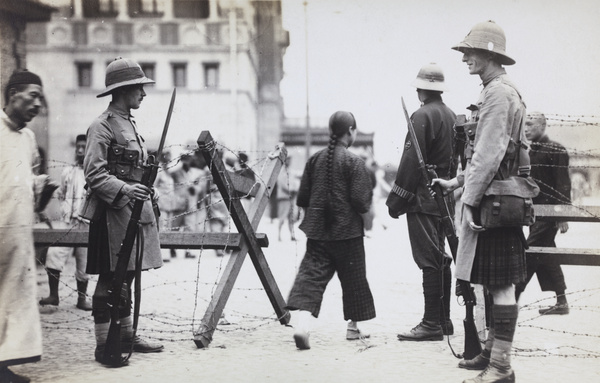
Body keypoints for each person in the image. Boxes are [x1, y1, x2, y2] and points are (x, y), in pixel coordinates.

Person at [433, 20, 528, 383]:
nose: (464, 59)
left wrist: (468, 200)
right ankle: (492, 354)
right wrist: (456, 181)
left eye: (469, 52)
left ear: (489, 53)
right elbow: (482, 156)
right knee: (492, 281)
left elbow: (489, 154)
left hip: (494, 203)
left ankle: (501, 367)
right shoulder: (495, 91)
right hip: (491, 198)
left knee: (501, 284)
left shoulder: (499, 94)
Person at [83, 57, 164, 365]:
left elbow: (133, 169)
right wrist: (128, 189)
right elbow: (94, 174)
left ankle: (127, 337)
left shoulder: (129, 123)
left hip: (132, 211)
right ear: (124, 90)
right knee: (109, 278)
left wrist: (145, 185)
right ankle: (106, 346)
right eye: (139, 88)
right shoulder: (101, 126)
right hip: (110, 214)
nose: (143, 94)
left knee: (127, 276)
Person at [286, 111, 376, 350]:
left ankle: (302, 327)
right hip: (348, 234)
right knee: (354, 281)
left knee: (311, 279)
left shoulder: (314, 160)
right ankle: (353, 328)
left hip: (318, 233)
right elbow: (361, 203)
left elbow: (303, 198)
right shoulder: (354, 162)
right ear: (351, 131)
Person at [387, 63, 458, 341]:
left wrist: (396, 201)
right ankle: (444, 320)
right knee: (440, 257)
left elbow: (410, 164)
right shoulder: (452, 115)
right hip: (445, 197)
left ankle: (431, 323)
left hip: (423, 199)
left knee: (429, 259)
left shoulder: (421, 115)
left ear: (422, 89)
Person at [0, 70, 52, 383]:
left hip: (17, 234)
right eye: (32, 95)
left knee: (13, 300)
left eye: (40, 97)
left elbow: (25, 180)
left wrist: (41, 187)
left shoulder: (29, 138)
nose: (38, 103)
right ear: (12, 94)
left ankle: (2, 365)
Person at [515, 112, 571, 314]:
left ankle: (513, 298)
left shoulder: (555, 149)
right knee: (546, 255)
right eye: (525, 125)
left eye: (530, 124)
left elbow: (563, 184)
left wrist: (562, 215)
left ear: (542, 126)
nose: (526, 129)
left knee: (529, 253)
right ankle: (562, 302)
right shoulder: (532, 152)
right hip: (535, 213)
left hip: (549, 215)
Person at [39, 134, 93, 311]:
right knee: (54, 255)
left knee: (84, 261)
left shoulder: (94, 172)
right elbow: (62, 193)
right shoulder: (68, 171)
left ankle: (82, 298)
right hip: (66, 222)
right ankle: (54, 295)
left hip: (85, 224)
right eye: (77, 146)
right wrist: (65, 209)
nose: (79, 150)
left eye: (83, 146)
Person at [170, 152, 207, 259]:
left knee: (190, 228)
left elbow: (200, 188)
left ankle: (188, 250)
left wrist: (195, 188)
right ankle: (172, 248)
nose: (187, 162)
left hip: (191, 204)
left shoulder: (196, 173)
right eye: (185, 160)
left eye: (189, 160)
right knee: (175, 227)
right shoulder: (175, 173)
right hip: (179, 204)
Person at [276, 155, 300, 241]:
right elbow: (282, 184)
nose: (289, 162)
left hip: (291, 197)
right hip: (284, 197)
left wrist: (294, 190)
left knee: (291, 217)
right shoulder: (281, 171)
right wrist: (290, 191)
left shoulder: (291, 172)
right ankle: (279, 235)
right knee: (282, 216)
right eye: (287, 160)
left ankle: (292, 235)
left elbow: (294, 183)